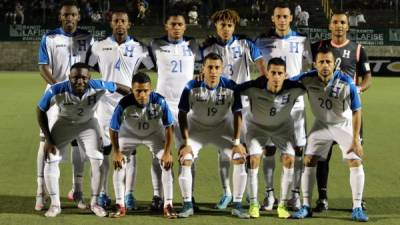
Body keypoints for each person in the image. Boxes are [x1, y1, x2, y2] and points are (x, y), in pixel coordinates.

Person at [36, 62, 130, 217]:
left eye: (84, 78)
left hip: (88, 124)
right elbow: (40, 110)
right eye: (76, 78)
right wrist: (49, 139)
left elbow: (120, 88)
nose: (80, 81)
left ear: (89, 77)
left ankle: (94, 203)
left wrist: (137, 97)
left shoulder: (98, 85)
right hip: (64, 123)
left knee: (98, 160)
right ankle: (55, 204)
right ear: (69, 78)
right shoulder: (57, 89)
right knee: (51, 158)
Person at [87, 8, 154, 210]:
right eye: (116, 21)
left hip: (129, 106)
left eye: (123, 21)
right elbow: (91, 68)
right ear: (111, 23)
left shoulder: (140, 48)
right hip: (104, 106)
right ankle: (103, 194)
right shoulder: (98, 46)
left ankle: (129, 195)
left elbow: (149, 67)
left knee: (129, 152)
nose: (119, 24)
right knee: (104, 151)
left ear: (129, 24)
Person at [291, 47, 369, 222]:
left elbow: (357, 111)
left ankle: (357, 207)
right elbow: (286, 83)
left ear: (335, 64)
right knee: (309, 160)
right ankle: (305, 206)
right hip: (321, 125)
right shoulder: (307, 79)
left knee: (354, 160)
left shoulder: (347, 82)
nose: (325, 65)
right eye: (321, 62)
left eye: (328, 62)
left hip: (344, 124)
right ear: (315, 64)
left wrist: (356, 139)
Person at [201, 9, 266, 209]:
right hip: (221, 107)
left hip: (245, 106)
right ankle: (227, 192)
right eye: (222, 25)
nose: (226, 29)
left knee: (250, 150)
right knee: (223, 152)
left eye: (229, 25)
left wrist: (261, 84)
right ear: (216, 27)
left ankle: (249, 194)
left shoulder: (246, 44)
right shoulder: (208, 47)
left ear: (234, 27)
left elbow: (262, 68)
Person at [311, 11, 372, 212]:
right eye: (335, 22)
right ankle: (323, 198)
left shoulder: (357, 49)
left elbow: (367, 77)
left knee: (355, 155)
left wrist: (358, 89)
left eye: (342, 22)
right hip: (326, 111)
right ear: (330, 26)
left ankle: (358, 200)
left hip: (349, 112)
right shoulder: (319, 47)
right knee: (322, 157)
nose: (339, 25)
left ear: (348, 26)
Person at [36, 0, 93, 211]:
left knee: (80, 143)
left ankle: (77, 191)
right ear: (61, 17)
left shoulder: (88, 37)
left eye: (73, 15)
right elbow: (43, 67)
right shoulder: (50, 37)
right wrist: (58, 88)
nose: (69, 18)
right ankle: (40, 192)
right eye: (66, 15)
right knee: (46, 142)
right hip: (55, 98)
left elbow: (92, 66)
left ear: (79, 17)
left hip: (80, 98)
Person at [255, 2, 312, 211]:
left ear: (291, 18)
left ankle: (294, 195)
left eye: (285, 17)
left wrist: (294, 80)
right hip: (271, 104)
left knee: (297, 150)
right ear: (273, 18)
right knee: (269, 150)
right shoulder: (262, 41)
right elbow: (258, 68)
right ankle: (269, 195)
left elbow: (310, 69)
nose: (281, 20)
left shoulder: (303, 41)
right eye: (277, 16)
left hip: (295, 104)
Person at [177, 53, 248, 219]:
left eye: (217, 67)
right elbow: (182, 114)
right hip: (197, 129)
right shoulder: (191, 87)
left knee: (239, 157)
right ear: (203, 68)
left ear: (222, 69)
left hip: (222, 128)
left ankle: (237, 205)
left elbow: (238, 114)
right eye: (210, 67)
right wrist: (186, 142)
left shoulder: (231, 87)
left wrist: (237, 142)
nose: (213, 71)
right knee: (186, 159)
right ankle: (187, 205)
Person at [237, 57, 306, 218]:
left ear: (285, 74)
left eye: (279, 73)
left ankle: (282, 205)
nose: (276, 76)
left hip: (282, 128)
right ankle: (254, 203)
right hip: (256, 127)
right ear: (267, 73)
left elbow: (314, 84)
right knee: (254, 159)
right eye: (273, 72)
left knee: (290, 159)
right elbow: (232, 88)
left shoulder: (295, 88)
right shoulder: (254, 86)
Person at [148, 10, 201, 211]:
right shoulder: (156, 45)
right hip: (162, 105)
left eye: (180, 24)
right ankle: (157, 196)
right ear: (166, 26)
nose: (177, 27)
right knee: (159, 153)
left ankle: (190, 196)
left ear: (185, 27)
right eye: (173, 24)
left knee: (188, 153)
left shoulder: (193, 45)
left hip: (187, 107)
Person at [109, 72, 177, 218]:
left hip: (154, 135)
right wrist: (116, 152)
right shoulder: (124, 104)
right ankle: (120, 204)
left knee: (167, 164)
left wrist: (167, 153)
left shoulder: (160, 101)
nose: (142, 95)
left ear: (150, 90)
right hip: (129, 135)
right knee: (119, 163)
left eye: (145, 91)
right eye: (138, 91)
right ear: (132, 90)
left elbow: (169, 127)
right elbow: (113, 129)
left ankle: (168, 204)